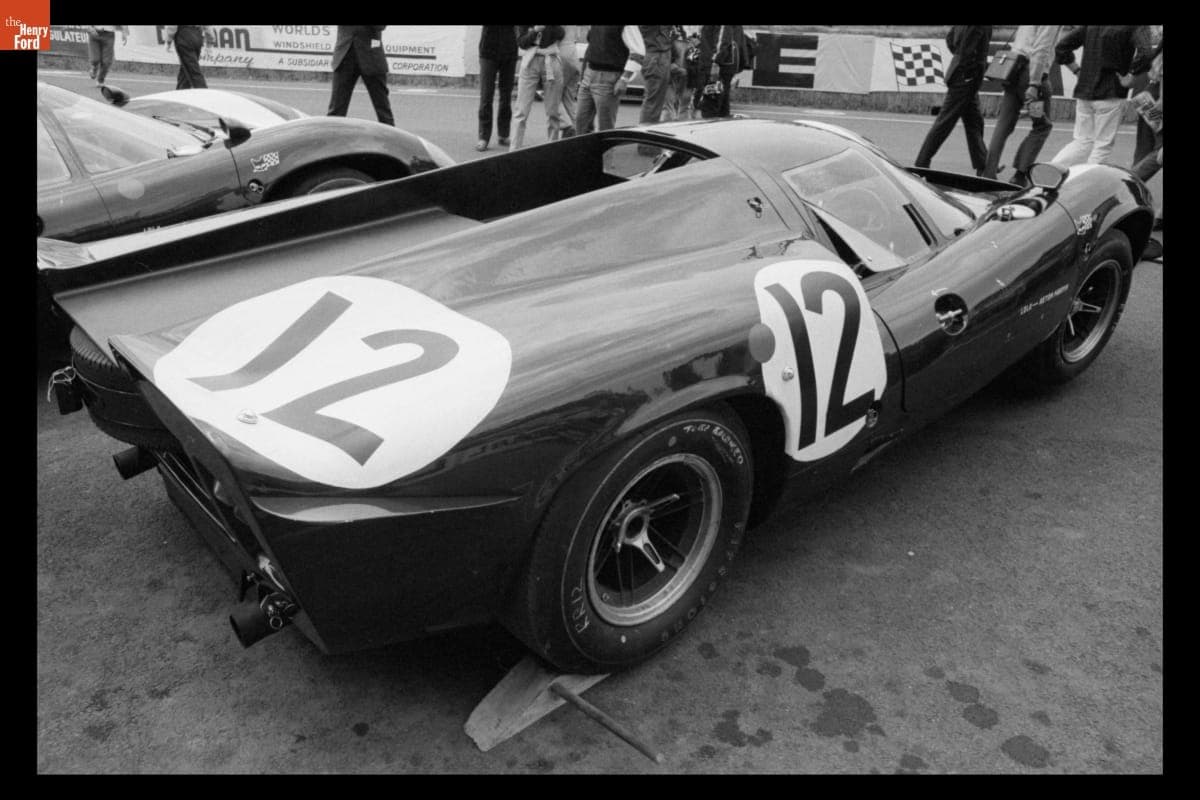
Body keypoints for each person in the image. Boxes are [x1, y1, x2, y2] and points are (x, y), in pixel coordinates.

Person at [1049, 26, 1152, 167]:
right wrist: (1132, 76)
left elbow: (1061, 47)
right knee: (1102, 146)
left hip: (1085, 90)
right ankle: (1088, 182)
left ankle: (1051, 170)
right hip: (1112, 91)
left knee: (1081, 141)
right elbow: (1146, 53)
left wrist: (1077, 71)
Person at [980, 26, 1060, 186]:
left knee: (1004, 124)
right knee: (1042, 126)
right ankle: (1020, 174)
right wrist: (1035, 83)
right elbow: (1041, 49)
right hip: (1030, 76)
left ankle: (988, 172)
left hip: (1013, 71)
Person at [914, 25, 991, 174]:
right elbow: (968, 49)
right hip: (968, 76)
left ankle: (983, 165)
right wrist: (969, 71)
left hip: (962, 74)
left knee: (974, 122)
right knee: (945, 122)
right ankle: (921, 162)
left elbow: (950, 39)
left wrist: (959, 60)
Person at [575, 25, 645, 134]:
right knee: (580, 123)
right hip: (589, 74)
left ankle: (605, 151)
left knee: (605, 128)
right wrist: (584, 74)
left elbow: (638, 53)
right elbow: (591, 45)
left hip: (609, 77)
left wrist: (624, 79)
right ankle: (585, 150)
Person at [509, 26, 566, 150]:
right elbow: (522, 43)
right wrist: (535, 31)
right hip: (530, 61)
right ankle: (514, 151)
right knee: (521, 111)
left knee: (553, 111)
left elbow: (561, 34)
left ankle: (552, 150)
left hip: (550, 59)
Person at [327, 26, 394, 126]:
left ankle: (391, 139)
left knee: (383, 109)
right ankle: (332, 137)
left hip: (371, 56)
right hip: (344, 55)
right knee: (336, 110)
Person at [477, 26, 518, 151]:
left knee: (506, 96)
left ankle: (503, 134)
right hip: (488, 51)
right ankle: (483, 137)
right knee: (486, 96)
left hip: (509, 51)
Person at [697, 25, 751, 119]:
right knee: (721, 104)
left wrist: (715, 62)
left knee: (711, 105)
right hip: (723, 65)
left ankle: (710, 131)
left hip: (718, 66)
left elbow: (723, 39)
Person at [638, 26, 676, 126]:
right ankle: (645, 137)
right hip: (656, 54)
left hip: (658, 53)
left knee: (654, 101)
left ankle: (646, 133)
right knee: (653, 103)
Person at [556, 26, 585, 138]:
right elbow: (578, 35)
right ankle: (575, 130)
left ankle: (567, 125)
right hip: (573, 52)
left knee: (551, 94)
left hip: (560, 51)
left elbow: (555, 33)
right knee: (568, 98)